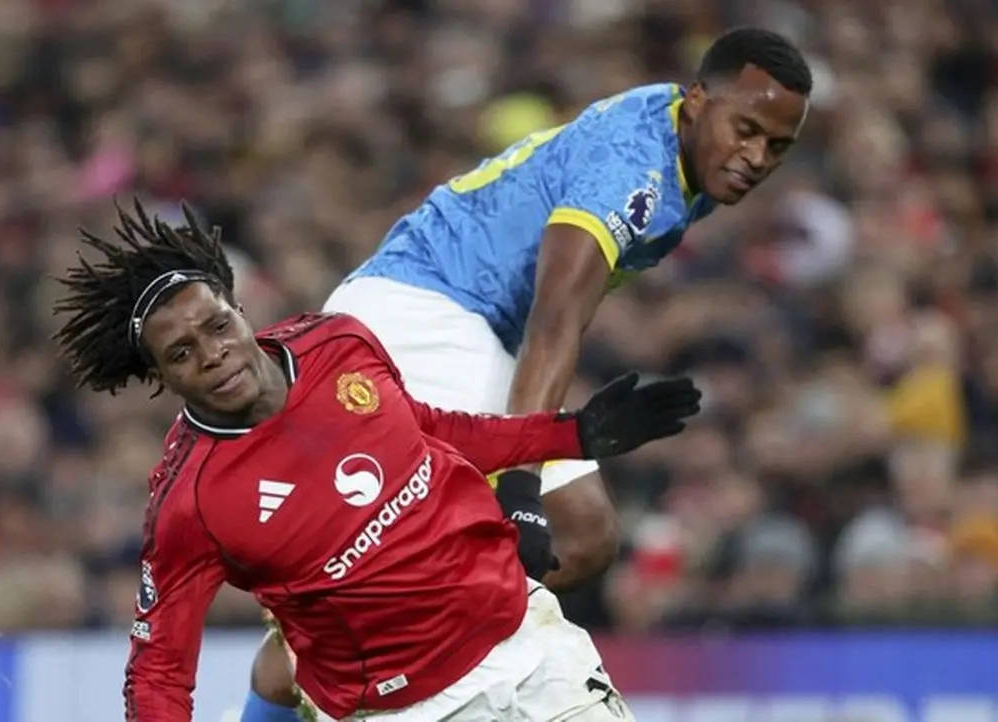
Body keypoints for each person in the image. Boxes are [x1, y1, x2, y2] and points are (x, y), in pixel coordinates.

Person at [246, 25, 814, 721]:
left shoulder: (680, 148)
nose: (756, 157)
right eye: (746, 130)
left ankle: (307, 659)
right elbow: (555, 318)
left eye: (776, 147)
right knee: (572, 530)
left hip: (444, 322)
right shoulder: (633, 169)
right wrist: (520, 483)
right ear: (697, 99)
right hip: (421, 316)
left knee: (573, 540)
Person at [52, 203, 702, 721]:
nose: (212, 354)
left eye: (217, 327)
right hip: (402, 709)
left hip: (530, 648)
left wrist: (573, 435)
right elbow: (159, 670)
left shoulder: (338, 343)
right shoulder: (190, 502)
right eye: (181, 353)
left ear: (240, 310)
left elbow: (430, 430)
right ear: (161, 376)